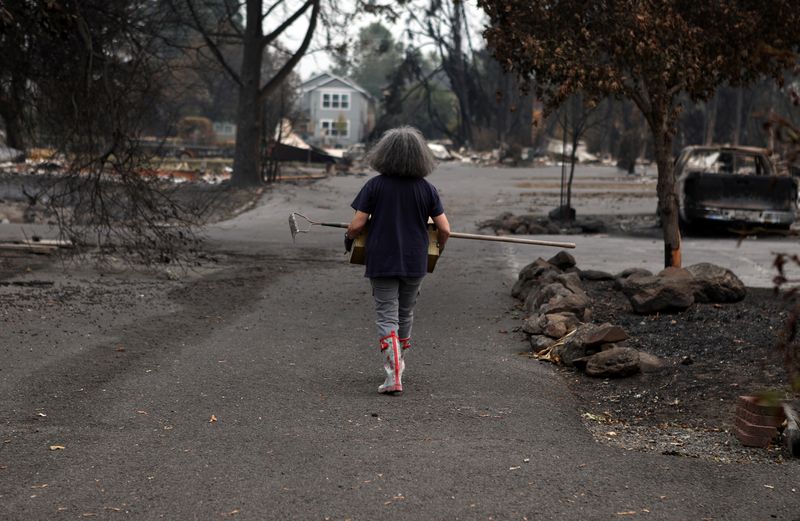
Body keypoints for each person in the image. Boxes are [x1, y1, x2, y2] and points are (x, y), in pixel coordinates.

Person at [345, 126, 450, 395]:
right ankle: (399, 363)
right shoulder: (427, 189)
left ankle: (393, 375)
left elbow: (358, 224)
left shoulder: (375, 185)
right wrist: (438, 247)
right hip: (415, 260)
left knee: (386, 313)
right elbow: (445, 229)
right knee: (405, 312)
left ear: (384, 154)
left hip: (382, 259)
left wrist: (349, 234)